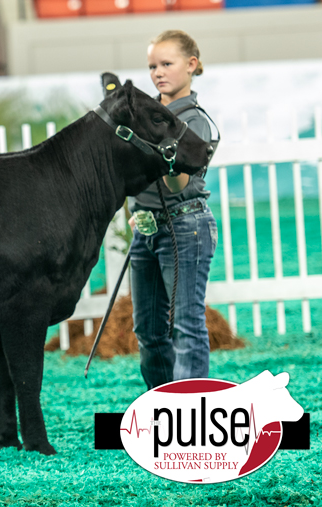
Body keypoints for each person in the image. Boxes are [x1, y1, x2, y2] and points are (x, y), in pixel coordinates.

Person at [128, 30, 218, 390]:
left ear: (191, 65)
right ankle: (162, 407)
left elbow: (177, 184)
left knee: (186, 325)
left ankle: (189, 412)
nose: (157, 73)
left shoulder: (193, 120)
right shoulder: (147, 115)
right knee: (148, 330)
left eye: (167, 63)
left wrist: (165, 150)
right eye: (152, 66)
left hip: (186, 227)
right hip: (147, 230)